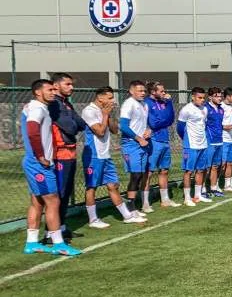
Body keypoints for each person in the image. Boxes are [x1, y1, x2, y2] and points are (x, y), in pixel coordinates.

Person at [21, 79, 80, 256]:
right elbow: (32, 130)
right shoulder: (37, 108)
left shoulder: (37, 107)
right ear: (38, 92)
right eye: (49, 89)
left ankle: (31, 243)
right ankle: (58, 243)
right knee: (53, 201)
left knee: (37, 202)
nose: (53, 92)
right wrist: (40, 156)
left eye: (54, 89)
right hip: (38, 163)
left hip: (36, 162)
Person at [82, 87, 146, 228]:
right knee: (91, 187)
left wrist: (108, 115)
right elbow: (99, 131)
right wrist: (104, 114)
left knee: (113, 185)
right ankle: (93, 220)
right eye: (110, 98)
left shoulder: (105, 111)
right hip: (93, 155)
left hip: (105, 154)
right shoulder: (89, 111)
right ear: (100, 98)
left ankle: (127, 216)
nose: (113, 100)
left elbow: (115, 130)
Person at [47, 72, 87, 242]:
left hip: (69, 153)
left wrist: (73, 121)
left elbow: (81, 124)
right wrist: (72, 122)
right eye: (68, 84)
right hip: (59, 154)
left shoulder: (66, 104)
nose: (72, 87)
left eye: (72, 84)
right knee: (59, 194)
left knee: (66, 192)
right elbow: (71, 127)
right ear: (56, 86)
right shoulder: (54, 104)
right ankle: (50, 233)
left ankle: (62, 227)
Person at [144, 81, 180, 209]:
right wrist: (163, 121)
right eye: (161, 91)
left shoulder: (164, 102)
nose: (164, 93)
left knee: (164, 170)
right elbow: (153, 123)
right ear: (153, 92)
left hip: (164, 139)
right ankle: (145, 203)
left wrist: (169, 103)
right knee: (148, 172)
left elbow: (170, 119)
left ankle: (165, 200)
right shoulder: (147, 103)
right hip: (153, 140)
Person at [119, 80, 151, 217]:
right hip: (131, 144)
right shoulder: (128, 104)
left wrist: (149, 130)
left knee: (140, 175)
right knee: (135, 175)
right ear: (131, 91)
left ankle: (133, 205)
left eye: (144, 91)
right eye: (139, 90)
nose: (143, 93)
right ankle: (130, 207)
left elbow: (145, 123)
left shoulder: (144, 105)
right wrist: (138, 138)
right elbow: (124, 126)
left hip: (143, 143)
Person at [178, 87, 211, 206]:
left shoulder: (205, 109)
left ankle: (198, 195)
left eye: (203, 98)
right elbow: (180, 128)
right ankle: (187, 197)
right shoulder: (186, 109)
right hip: (191, 145)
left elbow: (204, 125)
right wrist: (186, 140)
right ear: (193, 97)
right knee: (188, 171)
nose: (202, 100)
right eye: (199, 97)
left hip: (203, 143)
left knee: (201, 170)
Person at [205, 87, 226, 197]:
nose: (219, 98)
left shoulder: (221, 109)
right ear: (210, 97)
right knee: (206, 167)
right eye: (216, 96)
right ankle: (203, 189)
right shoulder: (205, 108)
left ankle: (213, 188)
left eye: (220, 96)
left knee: (216, 166)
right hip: (209, 141)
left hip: (219, 140)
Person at [220, 87, 232, 192]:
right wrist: (224, 127)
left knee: (231, 162)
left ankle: (228, 185)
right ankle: (214, 184)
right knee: (221, 164)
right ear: (227, 96)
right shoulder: (221, 107)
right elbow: (215, 123)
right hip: (223, 139)